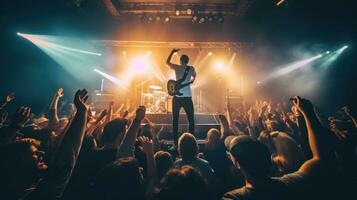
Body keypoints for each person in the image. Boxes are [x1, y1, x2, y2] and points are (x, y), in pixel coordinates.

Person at [222, 96, 339, 200]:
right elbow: (320, 158)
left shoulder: (234, 197)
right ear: (269, 158)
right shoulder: (290, 183)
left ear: (237, 164)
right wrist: (308, 113)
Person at [166, 48, 196, 146]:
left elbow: (167, 62)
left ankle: (175, 141)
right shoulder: (191, 68)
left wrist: (172, 52)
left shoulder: (177, 67)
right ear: (188, 61)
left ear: (180, 61)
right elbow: (194, 76)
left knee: (175, 119)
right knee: (191, 119)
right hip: (187, 97)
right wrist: (192, 80)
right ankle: (191, 141)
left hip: (177, 98)